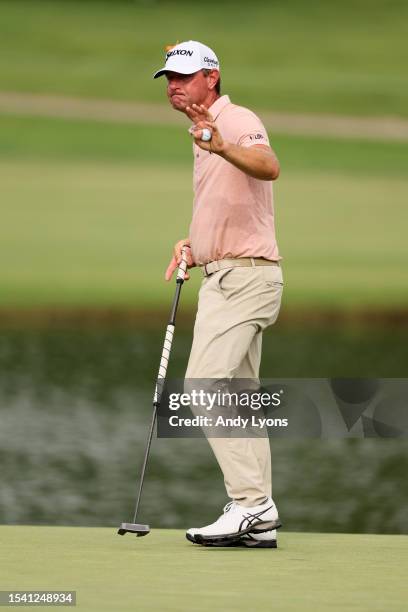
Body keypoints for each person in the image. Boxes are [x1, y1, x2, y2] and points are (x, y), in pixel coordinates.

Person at [154, 40, 283, 548]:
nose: (174, 85)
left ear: (213, 76)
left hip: (243, 280)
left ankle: (251, 504)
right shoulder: (203, 131)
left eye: (184, 75)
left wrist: (222, 142)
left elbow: (269, 165)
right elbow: (228, 202)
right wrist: (196, 243)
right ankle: (258, 514)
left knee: (204, 389)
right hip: (228, 275)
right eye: (168, 77)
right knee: (238, 401)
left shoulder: (235, 118)